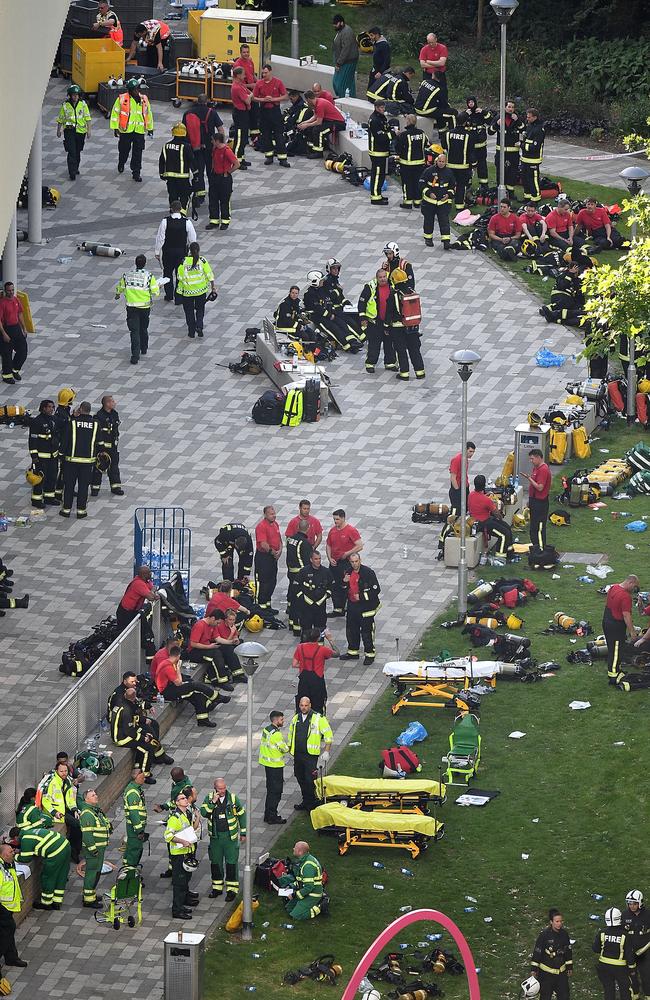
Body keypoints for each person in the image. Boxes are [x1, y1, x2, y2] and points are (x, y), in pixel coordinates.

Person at [200, 778, 246, 900]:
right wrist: (213, 802)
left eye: (224, 788)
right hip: (215, 837)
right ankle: (217, 887)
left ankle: (232, 889)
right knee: (216, 862)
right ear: (215, 788)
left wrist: (243, 832)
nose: (223, 791)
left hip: (230, 837)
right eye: (220, 789)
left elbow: (241, 814)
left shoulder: (233, 798)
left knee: (231, 862)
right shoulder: (209, 798)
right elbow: (204, 813)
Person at [155, 644, 219, 728]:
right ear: (178, 656)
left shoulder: (167, 662)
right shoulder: (168, 666)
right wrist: (178, 668)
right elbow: (178, 682)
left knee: (196, 694)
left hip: (170, 687)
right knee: (194, 686)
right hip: (167, 692)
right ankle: (216, 696)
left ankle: (203, 720)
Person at [288, 696, 333, 812]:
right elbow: (291, 734)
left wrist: (327, 751)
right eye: (302, 705)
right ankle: (306, 800)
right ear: (299, 705)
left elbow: (328, 735)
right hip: (298, 754)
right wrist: (289, 748)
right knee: (300, 777)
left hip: (310, 755)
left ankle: (311, 803)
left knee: (310, 779)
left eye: (306, 705)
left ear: (310, 705)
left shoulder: (318, 718)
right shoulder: (296, 718)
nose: (303, 708)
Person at [10, 825, 70, 911]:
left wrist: (15, 856)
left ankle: (46, 903)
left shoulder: (25, 839)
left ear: (16, 837)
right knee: (61, 875)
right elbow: (35, 845)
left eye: (13, 840)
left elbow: (26, 859)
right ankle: (57, 902)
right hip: (65, 846)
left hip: (55, 853)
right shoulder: (30, 832)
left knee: (48, 877)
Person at [114, 253, 160, 364]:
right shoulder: (149, 276)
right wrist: (158, 287)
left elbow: (120, 287)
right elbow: (156, 292)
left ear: (135, 263)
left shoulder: (127, 275)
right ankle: (144, 348)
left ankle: (135, 355)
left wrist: (117, 294)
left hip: (132, 308)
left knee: (134, 331)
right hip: (144, 307)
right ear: (144, 264)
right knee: (143, 328)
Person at [110, 687, 163, 782]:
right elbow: (129, 731)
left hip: (122, 732)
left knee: (146, 739)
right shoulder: (126, 710)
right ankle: (145, 775)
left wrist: (144, 733)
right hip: (122, 738)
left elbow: (132, 723)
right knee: (148, 747)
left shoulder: (122, 702)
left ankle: (138, 765)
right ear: (133, 698)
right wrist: (143, 738)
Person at [58, 402, 97, 520]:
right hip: (87, 462)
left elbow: (65, 440)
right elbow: (99, 442)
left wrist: (60, 455)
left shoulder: (73, 423)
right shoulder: (96, 424)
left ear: (80, 409)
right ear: (90, 410)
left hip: (71, 461)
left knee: (69, 486)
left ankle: (66, 510)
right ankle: (81, 511)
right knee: (83, 487)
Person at [109, 78, 154, 183]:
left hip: (139, 131)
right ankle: (121, 162)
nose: (137, 91)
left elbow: (148, 114)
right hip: (126, 131)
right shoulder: (122, 98)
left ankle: (136, 172)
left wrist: (150, 129)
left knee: (138, 153)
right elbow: (115, 113)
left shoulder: (144, 99)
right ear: (129, 91)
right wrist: (115, 128)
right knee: (124, 150)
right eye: (134, 90)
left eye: (137, 89)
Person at [183, 94, 225, 204]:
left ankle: (200, 196)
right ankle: (213, 194)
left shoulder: (188, 113)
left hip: (195, 148)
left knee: (198, 172)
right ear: (207, 102)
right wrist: (220, 145)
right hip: (210, 148)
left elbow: (183, 131)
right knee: (212, 172)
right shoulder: (212, 113)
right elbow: (221, 130)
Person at [341, 553, 381, 664]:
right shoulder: (348, 572)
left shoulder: (368, 573)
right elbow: (342, 589)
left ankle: (369, 654)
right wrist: (344, 582)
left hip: (366, 607)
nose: (354, 564)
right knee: (351, 630)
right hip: (352, 606)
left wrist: (362, 597)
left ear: (360, 560)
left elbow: (376, 589)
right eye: (352, 562)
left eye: (356, 561)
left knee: (366, 632)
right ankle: (353, 652)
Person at [438, 442, 476, 559]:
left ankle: (456, 533)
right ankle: (442, 540)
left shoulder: (465, 460)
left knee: (461, 514)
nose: (472, 454)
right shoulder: (457, 460)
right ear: (465, 450)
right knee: (453, 516)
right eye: (470, 451)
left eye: (473, 452)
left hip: (464, 489)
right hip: (457, 492)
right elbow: (453, 477)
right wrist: (458, 490)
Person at [358, 268, 399, 373]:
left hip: (388, 321)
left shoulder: (392, 284)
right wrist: (362, 317)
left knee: (389, 343)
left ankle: (390, 363)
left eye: (384, 277)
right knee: (374, 344)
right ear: (377, 278)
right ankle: (370, 363)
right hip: (375, 322)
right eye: (380, 277)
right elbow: (361, 302)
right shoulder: (370, 287)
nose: (383, 279)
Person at [154, 200, 196, 304]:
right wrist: (192, 252)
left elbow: (160, 238)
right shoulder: (187, 222)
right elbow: (192, 238)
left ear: (171, 209)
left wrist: (157, 251)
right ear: (181, 208)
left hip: (168, 252)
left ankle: (169, 295)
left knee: (167, 273)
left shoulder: (165, 221)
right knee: (180, 274)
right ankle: (179, 297)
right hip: (181, 252)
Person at [40, 760, 81, 863]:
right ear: (56, 771)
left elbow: (70, 798)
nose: (64, 773)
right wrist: (54, 812)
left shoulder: (66, 780)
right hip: (55, 813)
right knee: (76, 825)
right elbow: (45, 800)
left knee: (79, 823)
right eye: (62, 771)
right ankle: (74, 852)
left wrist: (75, 810)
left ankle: (75, 850)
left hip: (64, 809)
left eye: (66, 771)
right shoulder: (52, 783)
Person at [164, 792, 197, 919]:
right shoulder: (174, 818)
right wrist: (183, 841)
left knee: (184, 882)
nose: (185, 799)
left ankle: (181, 905)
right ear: (177, 803)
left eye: (185, 798)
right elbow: (168, 836)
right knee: (179, 883)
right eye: (182, 798)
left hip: (186, 853)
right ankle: (177, 910)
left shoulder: (184, 814)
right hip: (178, 855)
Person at [592, 907, 636, 1000]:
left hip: (604, 967)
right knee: (625, 992)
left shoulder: (602, 933)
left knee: (608, 991)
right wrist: (632, 968)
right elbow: (629, 955)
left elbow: (595, 949)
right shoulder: (625, 935)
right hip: (620, 968)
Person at [78, 788, 112, 909]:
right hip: (94, 850)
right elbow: (87, 835)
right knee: (92, 873)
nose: (96, 796)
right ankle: (88, 900)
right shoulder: (87, 814)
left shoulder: (94, 811)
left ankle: (91, 894)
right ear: (86, 799)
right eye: (93, 795)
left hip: (99, 849)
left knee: (96, 872)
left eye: (96, 794)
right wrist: (93, 850)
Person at [186, 610, 236, 690]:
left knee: (227, 648)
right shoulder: (200, 625)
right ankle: (222, 681)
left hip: (206, 647)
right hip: (194, 652)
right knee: (216, 654)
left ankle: (237, 673)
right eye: (218, 623)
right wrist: (209, 647)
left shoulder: (213, 625)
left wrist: (230, 642)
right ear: (213, 618)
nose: (218, 625)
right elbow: (193, 644)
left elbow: (218, 639)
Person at [529, 908, 573, 999]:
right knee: (545, 997)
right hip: (546, 974)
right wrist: (534, 969)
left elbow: (568, 951)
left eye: (561, 921)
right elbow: (537, 952)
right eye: (557, 921)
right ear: (551, 922)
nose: (559, 923)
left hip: (561, 973)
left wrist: (569, 966)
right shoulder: (544, 935)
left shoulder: (564, 934)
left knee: (565, 996)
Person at [602, 576, 638, 684]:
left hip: (606, 621)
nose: (634, 589)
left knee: (612, 648)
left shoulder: (613, 587)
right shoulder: (626, 596)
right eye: (635, 586)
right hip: (616, 626)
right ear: (631, 583)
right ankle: (613, 675)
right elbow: (626, 616)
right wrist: (632, 632)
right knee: (616, 651)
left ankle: (617, 669)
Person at [468, 475, 514, 560]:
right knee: (504, 534)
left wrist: (485, 496)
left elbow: (478, 500)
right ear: (484, 485)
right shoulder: (487, 501)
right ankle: (500, 557)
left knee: (507, 527)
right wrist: (500, 516)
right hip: (484, 523)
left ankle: (510, 551)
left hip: (476, 521)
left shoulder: (471, 495)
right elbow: (496, 514)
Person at [326, 510, 362, 616]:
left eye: (337, 519)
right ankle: (338, 609)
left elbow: (359, 545)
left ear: (343, 518)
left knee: (346, 585)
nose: (335, 521)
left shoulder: (351, 530)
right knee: (334, 585)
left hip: (346, 562)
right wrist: (329, 558)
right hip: (334, 563)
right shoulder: (332, 531)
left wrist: (347, 554)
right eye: (334, 519)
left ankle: (348, 606)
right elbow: (328, 545)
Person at [177, 242, 217, 338]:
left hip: (187, 292)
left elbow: (179, 276)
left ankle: (191, 332)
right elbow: (209, 275)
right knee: (200, 310)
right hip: (201, 291)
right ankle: (199, 326)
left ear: (189, 250)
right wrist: (213, 288)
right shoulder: (202, 260)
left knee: (189, 312)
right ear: (198, 250)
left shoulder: (184, 261)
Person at [253, 64, 290, 167]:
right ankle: (269, 156)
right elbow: (254, 98)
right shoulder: (259, 84)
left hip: (275, 111)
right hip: (264, 111)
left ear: (270, 72)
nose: (264, 74)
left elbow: (286, 96)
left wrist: (273, 99)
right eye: (262, 73)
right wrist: (263, 99)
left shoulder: (278, 82)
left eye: (265, 72)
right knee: (265, 135)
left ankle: (283, 158)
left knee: (279, 135)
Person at [278, 841, 325, 921]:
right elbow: (301, 881)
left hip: (312, 894)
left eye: (295, 848)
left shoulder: (307, 866)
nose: (293, 849)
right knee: (289, 908)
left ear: (300, 852)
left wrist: (294, 895)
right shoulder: (305, 860)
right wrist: (291, 886)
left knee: (296, 916)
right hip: (306, 892)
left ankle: (320, 907)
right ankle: (304, 905)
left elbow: (309, 887)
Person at [293, 629, 338, 713]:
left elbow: (294, 664)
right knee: (318, 705)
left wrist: (303, 665)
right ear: (318, 638)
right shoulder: (322, 650)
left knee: (303, 704)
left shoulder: (300, 647)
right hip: (317, 681)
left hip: (304, 681)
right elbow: (337, 653)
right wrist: (330, 639)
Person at [158, 123, 197, 217]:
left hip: (170, 178)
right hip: (183, 178)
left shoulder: (166, 146)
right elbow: (192, 161)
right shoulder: (186, 146)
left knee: (173, 196)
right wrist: (196, 175)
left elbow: (161, 161)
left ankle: (173, 213)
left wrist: (162, 174)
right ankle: (182, 214)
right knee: (185, 196)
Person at [259, 711, 289, 825]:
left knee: (270, 791)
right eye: (281, 719)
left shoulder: (267, 730)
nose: (283, 721)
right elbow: (284, 748)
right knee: (276, 792)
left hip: (268, 765)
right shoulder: (276, 734)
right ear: (276, 720)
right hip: (275, 766)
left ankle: (268, 815)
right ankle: (272, 816)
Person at [90, 394, 123, 498]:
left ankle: (115, 487)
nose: (114, 403)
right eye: (112, 401)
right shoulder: (98, 416)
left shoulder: (114, 414)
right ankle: (95, 488)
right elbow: (97, 434)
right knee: (98, 468)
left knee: (114, 467)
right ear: (107, 403)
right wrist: (101, 449)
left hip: (113, 447)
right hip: (102, 448)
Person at [419, 151, 455, 248]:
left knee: (444, 222)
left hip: (443, 202)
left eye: (443, 161)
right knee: (428, 221)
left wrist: (448, 195)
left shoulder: (449, 172)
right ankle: (428, 238)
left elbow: (453, 186)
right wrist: (429, 193)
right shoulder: (429, 171)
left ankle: (446, 241)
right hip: (429, 202)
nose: (441, 163)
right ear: (436, 161)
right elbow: (421, 183)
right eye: (439, 161)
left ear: (445, 162)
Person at [0, 843, 26, 975]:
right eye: (10, 852)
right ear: (3, 854)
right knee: (6, 934)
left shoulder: (8, 863)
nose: (13, 853)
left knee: (8, 932)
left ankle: (11, 958)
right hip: (2, 908)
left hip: (8, 907)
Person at [27, 400, 59, 509]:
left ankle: (49, 497)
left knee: (52, 477)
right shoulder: (37, 422)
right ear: (43, 408)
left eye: (53, 407)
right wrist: (34, 457)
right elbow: (32, 441)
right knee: (39, 479)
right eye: (49, 407)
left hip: (53, 456)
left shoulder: (53, 420)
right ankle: (36, 500)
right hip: (41, 458)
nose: (52, 409)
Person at [56, 84, 91, 180]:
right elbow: (61, 119)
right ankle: (72, 172)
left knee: (78, 151)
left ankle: (76, 168)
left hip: (80, 132)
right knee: (71, 152)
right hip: (69, 131)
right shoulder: (65, 106)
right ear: (70, 95)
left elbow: (88, 118)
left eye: (77, 95)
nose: (75, 97)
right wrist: (58, 130)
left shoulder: (83, 105)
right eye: (73, 95)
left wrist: (89, 131)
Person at [297, 90, 346, 159]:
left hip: (338, 123)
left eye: (306, 100)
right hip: (330, 121)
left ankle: (318, 153)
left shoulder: (320, 104)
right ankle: (312, 149)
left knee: (318, 131)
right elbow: (314, 117)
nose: (306, 102)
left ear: (308, 99)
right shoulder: (317, 103)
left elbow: (318, 122)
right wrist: (304, 122)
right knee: (311, 128)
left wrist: (306, 125)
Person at [296, 550, 332, 639]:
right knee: (306, 629)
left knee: (320, 628)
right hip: (307, 606)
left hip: (320, 606)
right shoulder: (304, 571)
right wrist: (302, 597)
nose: (318, 561)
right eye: (316, 559)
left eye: (319, 559)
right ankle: (306, 646)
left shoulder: (326, 572)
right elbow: (296, 587)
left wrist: (327, 594)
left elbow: (331, 586)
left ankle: (319, 649)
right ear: (311, 560)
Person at [395, 115, 429, 209]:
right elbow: (427, 144)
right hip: (419, 163)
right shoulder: (422, 133)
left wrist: (398, 137)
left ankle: (407, 202)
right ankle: (417, 202)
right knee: (417, 182)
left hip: (407, 163)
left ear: (408, 121)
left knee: (407, 183)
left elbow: (398, 149)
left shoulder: (404, 135)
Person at [207, 132, 238, 231]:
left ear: (217, 141)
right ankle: (214, 220)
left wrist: (228, 172)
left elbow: (237, 164)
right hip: (215, 177)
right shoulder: (215, 149)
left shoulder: (227, 151)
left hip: (224, 179)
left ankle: (225, 221)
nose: (211, 142)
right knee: (213, 199)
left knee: (224, 200)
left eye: (212, 140)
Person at [522, 448, 552, 550]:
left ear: (539, 457)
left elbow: (540, 487)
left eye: (532, 459)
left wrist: (529, 478)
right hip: (534, 501)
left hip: (540, 503)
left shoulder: (543, 469)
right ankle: (535, 548)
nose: (531, 461)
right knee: (533, 528)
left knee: (538, 528)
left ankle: (540, 550)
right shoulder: (536, 468)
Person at [623, 889, 650, 1000]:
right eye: (629, 903)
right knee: (631, 974)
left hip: (645, 951)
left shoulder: (648, 915)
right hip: (630, 952)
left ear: (640, 903)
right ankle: (635, 993)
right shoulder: (624, 915)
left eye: (634, 903)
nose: (632, 906)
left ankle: (648, 994)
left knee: (646, 975)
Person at [255, 505, 282, 613]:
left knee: (272, 581)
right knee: (263, 583)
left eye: (274, 513)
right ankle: (260, 608)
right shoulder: (261, 526)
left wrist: (280, 550)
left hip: (272, 558)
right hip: (264, 558)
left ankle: (267, 606)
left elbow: (279, 539)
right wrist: (272, 552)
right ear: (265, 515)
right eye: (271, 514)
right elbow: (263, 543)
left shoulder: (275, 524)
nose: (274, 515)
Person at [492, 98, 521, 198]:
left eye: (512, 107)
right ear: (505, 107)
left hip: (514, 152)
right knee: (501, 172)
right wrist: (497, 124)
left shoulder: (517, 118)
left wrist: (518, 121)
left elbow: (524, 129)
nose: (510, 109)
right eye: (509, 107)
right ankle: (500, 193)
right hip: (501, 152)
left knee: (513, 172)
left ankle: (511, 193)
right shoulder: (499, 117)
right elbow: (490, 131)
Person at [0, 281, 28, 386]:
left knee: (23, 350)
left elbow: (20, 313)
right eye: (9, 290)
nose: (11, 292)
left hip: (16, 328)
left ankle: (14, 369)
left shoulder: (16, 300)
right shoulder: (2, 303)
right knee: (6, 354)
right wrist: (4, 334)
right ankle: (6, 375)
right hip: (6, 329)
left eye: (12, 290)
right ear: (5, 291)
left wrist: (24, 328)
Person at [116, 566, 158, 631]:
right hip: (125, 612)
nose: (151, 574)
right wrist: (152, 592)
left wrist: (152, 592)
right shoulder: (139, 584)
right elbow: (151, 597)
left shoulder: (145, 581)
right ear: (144, 575)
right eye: (149, 572)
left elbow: (153, 589)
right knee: (124, 631)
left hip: (133, 611)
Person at [446, 111, 474, 211]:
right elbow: (471, 151)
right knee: (461, 186)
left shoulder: (448, 133)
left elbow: (445, 147)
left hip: (450, 165)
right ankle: (459, 205)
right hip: (463, 166)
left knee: (449, 185)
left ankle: (447, 203)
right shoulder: (468, 135)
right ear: (465, 122)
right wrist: (474, 163)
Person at [233, 43, 260, 144]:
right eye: (244, 52)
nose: (246, 54)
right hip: (245, 92)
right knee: (246, 116)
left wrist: (258, 83)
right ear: (240, 53)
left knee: (255, 114)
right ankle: (246, 138)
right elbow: (239, 83)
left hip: (252, 89)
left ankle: (254, 137)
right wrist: (252, 87)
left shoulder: (250, 62)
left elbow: (252, 75)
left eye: (247, 52)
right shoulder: (237, 65)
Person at [123, 769, 148, 867]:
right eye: (142, 777)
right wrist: (139, 830)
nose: (144, 779)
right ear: (136, 778)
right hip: (134, 829)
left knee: (133, 849)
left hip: (135, 828)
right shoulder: (133, 793)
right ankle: (130, 873)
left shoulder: (136, 789)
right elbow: (134, 813)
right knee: (135, 850)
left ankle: (129, 868)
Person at [465, 96, 491, 190]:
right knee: (469, 166)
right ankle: (467, 183)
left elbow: (490, 121)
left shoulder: (480, 113)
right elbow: (459, 122)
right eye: (469, 102)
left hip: (481, 146)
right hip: (469, 147)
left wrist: (483, 112)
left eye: (472, 102)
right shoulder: (466, 114)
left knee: (482, 165)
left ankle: (484, 184)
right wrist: (465, 114)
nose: (471, 104)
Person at [367, 100, 391, 205]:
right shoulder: (374, 120)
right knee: (376, 174)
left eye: (383, 107)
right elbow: (381, 137)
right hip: (377, 152)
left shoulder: (382, 118)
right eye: (381, 107)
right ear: (376, 107)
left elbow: (387, 129)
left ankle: (379, 194)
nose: (383, 109)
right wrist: (393, 134)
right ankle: (375, 197)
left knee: (381, 174)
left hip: (382, 151)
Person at [520, 108, 545, 204]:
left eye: (529, 117)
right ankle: (527, 197)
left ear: (535, 117)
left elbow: (534, 147)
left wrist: (521, 145)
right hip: (525, 158)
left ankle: (535, 199)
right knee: (525, 179)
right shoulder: (530, 125)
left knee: (533, 179)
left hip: (533, 160)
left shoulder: (539, 129)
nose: (527, 119)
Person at [231, 66, 253, 169]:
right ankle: (237, 161)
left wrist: (250, 94)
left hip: (244, 113)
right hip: (240, 114)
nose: (245, 76)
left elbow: (248, 93)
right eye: (243, 74)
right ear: (238, 75)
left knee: (244, 137)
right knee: (239, 138)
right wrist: (252, 95)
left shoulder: (240, 85)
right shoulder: (237, 87)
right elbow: (248, 100)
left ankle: (241, 158)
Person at [332, 14, 359, 98]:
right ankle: (350, 97)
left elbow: (345, 50)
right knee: (347, 82)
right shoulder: (341, 30)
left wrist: (338, 63)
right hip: (345, 61)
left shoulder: (347, 32)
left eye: (336, 24)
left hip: (347, 62)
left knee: (340, 83)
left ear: (341, 23)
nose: (334, 26)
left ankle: (345, 99)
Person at [419, 31, 448, 103]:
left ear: (436, 39)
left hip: (439, 74)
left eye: (432, 42)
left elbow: (442, 63)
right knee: (426, 90)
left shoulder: (442, 48)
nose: (431, 44)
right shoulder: (424, 49)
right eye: (429, 42)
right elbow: (422, 64)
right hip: (428, 74)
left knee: (442, 91)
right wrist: (436, 64)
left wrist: (428, 61)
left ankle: (443, 104)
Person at [284, 91, 311, 157]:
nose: (290, 101)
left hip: (301, 129)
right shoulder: (296, 105)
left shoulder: (301, 107)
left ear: (296, 97)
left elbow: (294, 121)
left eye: (291, 99)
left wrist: (286, 118)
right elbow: (288, 111)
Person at [367, 27, 391, 96]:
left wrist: (380, 72)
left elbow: (387, 60)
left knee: (375, 92)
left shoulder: (384, 45)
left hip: (381, 73)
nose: (370, 37)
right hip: (375, 70)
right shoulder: (376, 43)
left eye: (371, 35)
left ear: (377, 35)